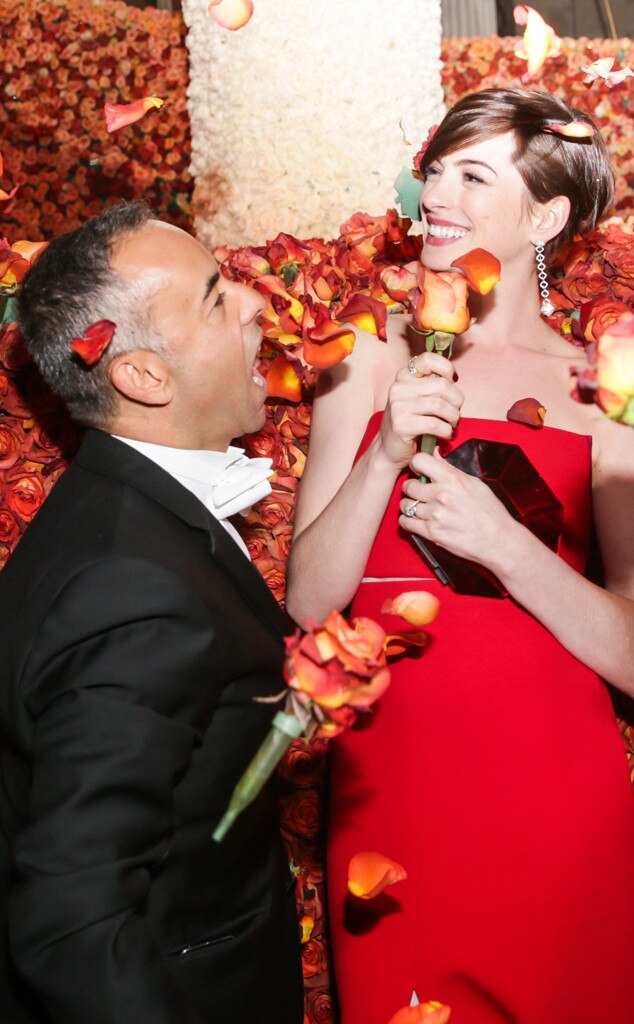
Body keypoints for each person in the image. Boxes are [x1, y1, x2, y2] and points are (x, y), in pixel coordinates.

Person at [286, 89, 634, 1023]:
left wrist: (508, 551)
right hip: (394, 793)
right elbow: (309, 602)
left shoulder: (600, 395)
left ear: (547, 215)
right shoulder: (360, 360)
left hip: (555, 799)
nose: (434, 190)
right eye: (435, 166)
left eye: (473, 174)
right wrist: (384, 457)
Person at [0, 202, 304, 1024]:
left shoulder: (115, 510)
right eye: (214, 297)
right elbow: (73, 925)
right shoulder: (130, 589)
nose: (255, 303)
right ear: (141, 376)